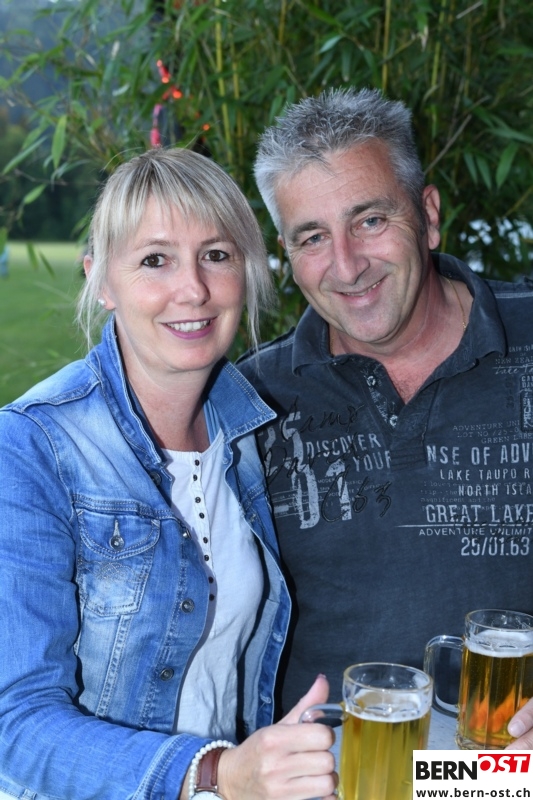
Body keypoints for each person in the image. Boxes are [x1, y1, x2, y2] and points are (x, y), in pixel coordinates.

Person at [0, 148, 336, 800]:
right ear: (102, 279)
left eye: (216, 254)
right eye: (155, 260)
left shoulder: (250, 431)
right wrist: (212, 771)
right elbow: (14, 725)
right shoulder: (32, 446)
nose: (194, 290)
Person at [237, 87, 533, 748]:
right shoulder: (248, 404)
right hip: (326, 775)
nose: (346, 266)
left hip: (504, 774)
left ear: (427, 215)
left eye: (369, 220)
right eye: (313, 237)